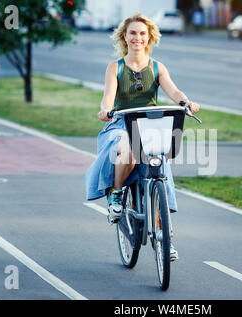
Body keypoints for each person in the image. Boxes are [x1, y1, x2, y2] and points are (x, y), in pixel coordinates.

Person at [85, 13, 200, 261]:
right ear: (124, 36)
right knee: (128, 147)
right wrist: (105, 110)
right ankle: (116, 194)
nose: (137, 37)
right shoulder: (115, 67)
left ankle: (165, 238)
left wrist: (186, 102)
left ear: (149, 38)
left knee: (161, 165)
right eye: (133, 33)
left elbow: (174, 91)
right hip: (120, 124)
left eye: (142, 33)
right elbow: (107, 98)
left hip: (149, 126)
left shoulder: (157, 68)